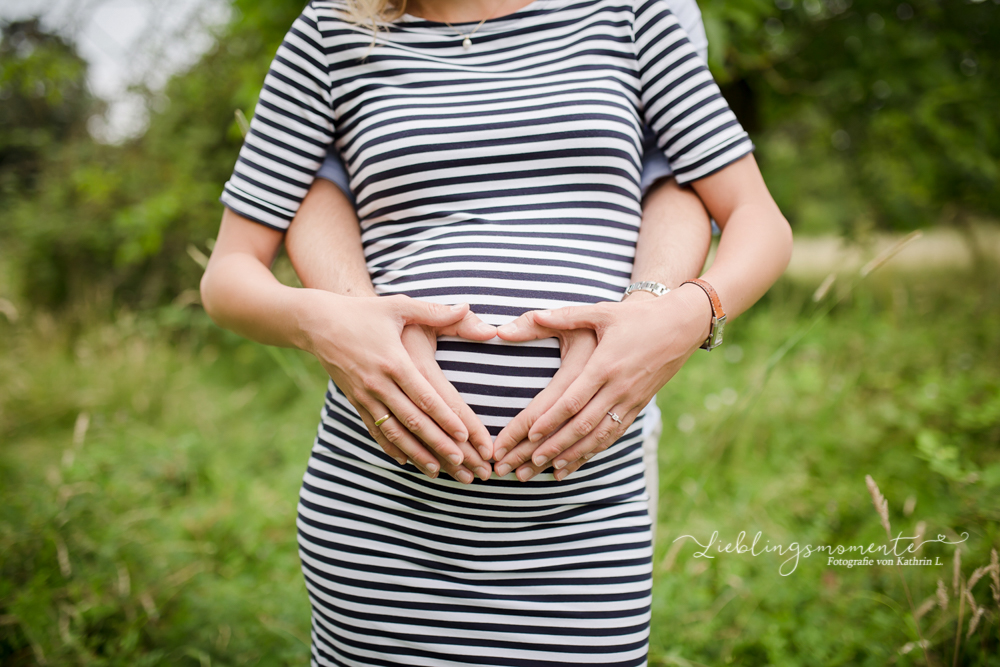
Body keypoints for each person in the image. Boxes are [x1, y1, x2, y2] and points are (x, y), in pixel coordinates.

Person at [200, 0, 793, 664]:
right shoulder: (332, 31)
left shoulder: (631, 13)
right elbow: (228, 276)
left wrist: (688, 313)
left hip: (584, 522)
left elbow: (757, 220)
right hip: (381, 520)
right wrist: (326, 322)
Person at [284, 0, 715, 535]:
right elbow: (308, 185)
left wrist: (669, 312)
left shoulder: (636, 15)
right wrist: (347, 318)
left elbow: (690, 177)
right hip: (376, 504)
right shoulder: (334, 29)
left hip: (591, 498)